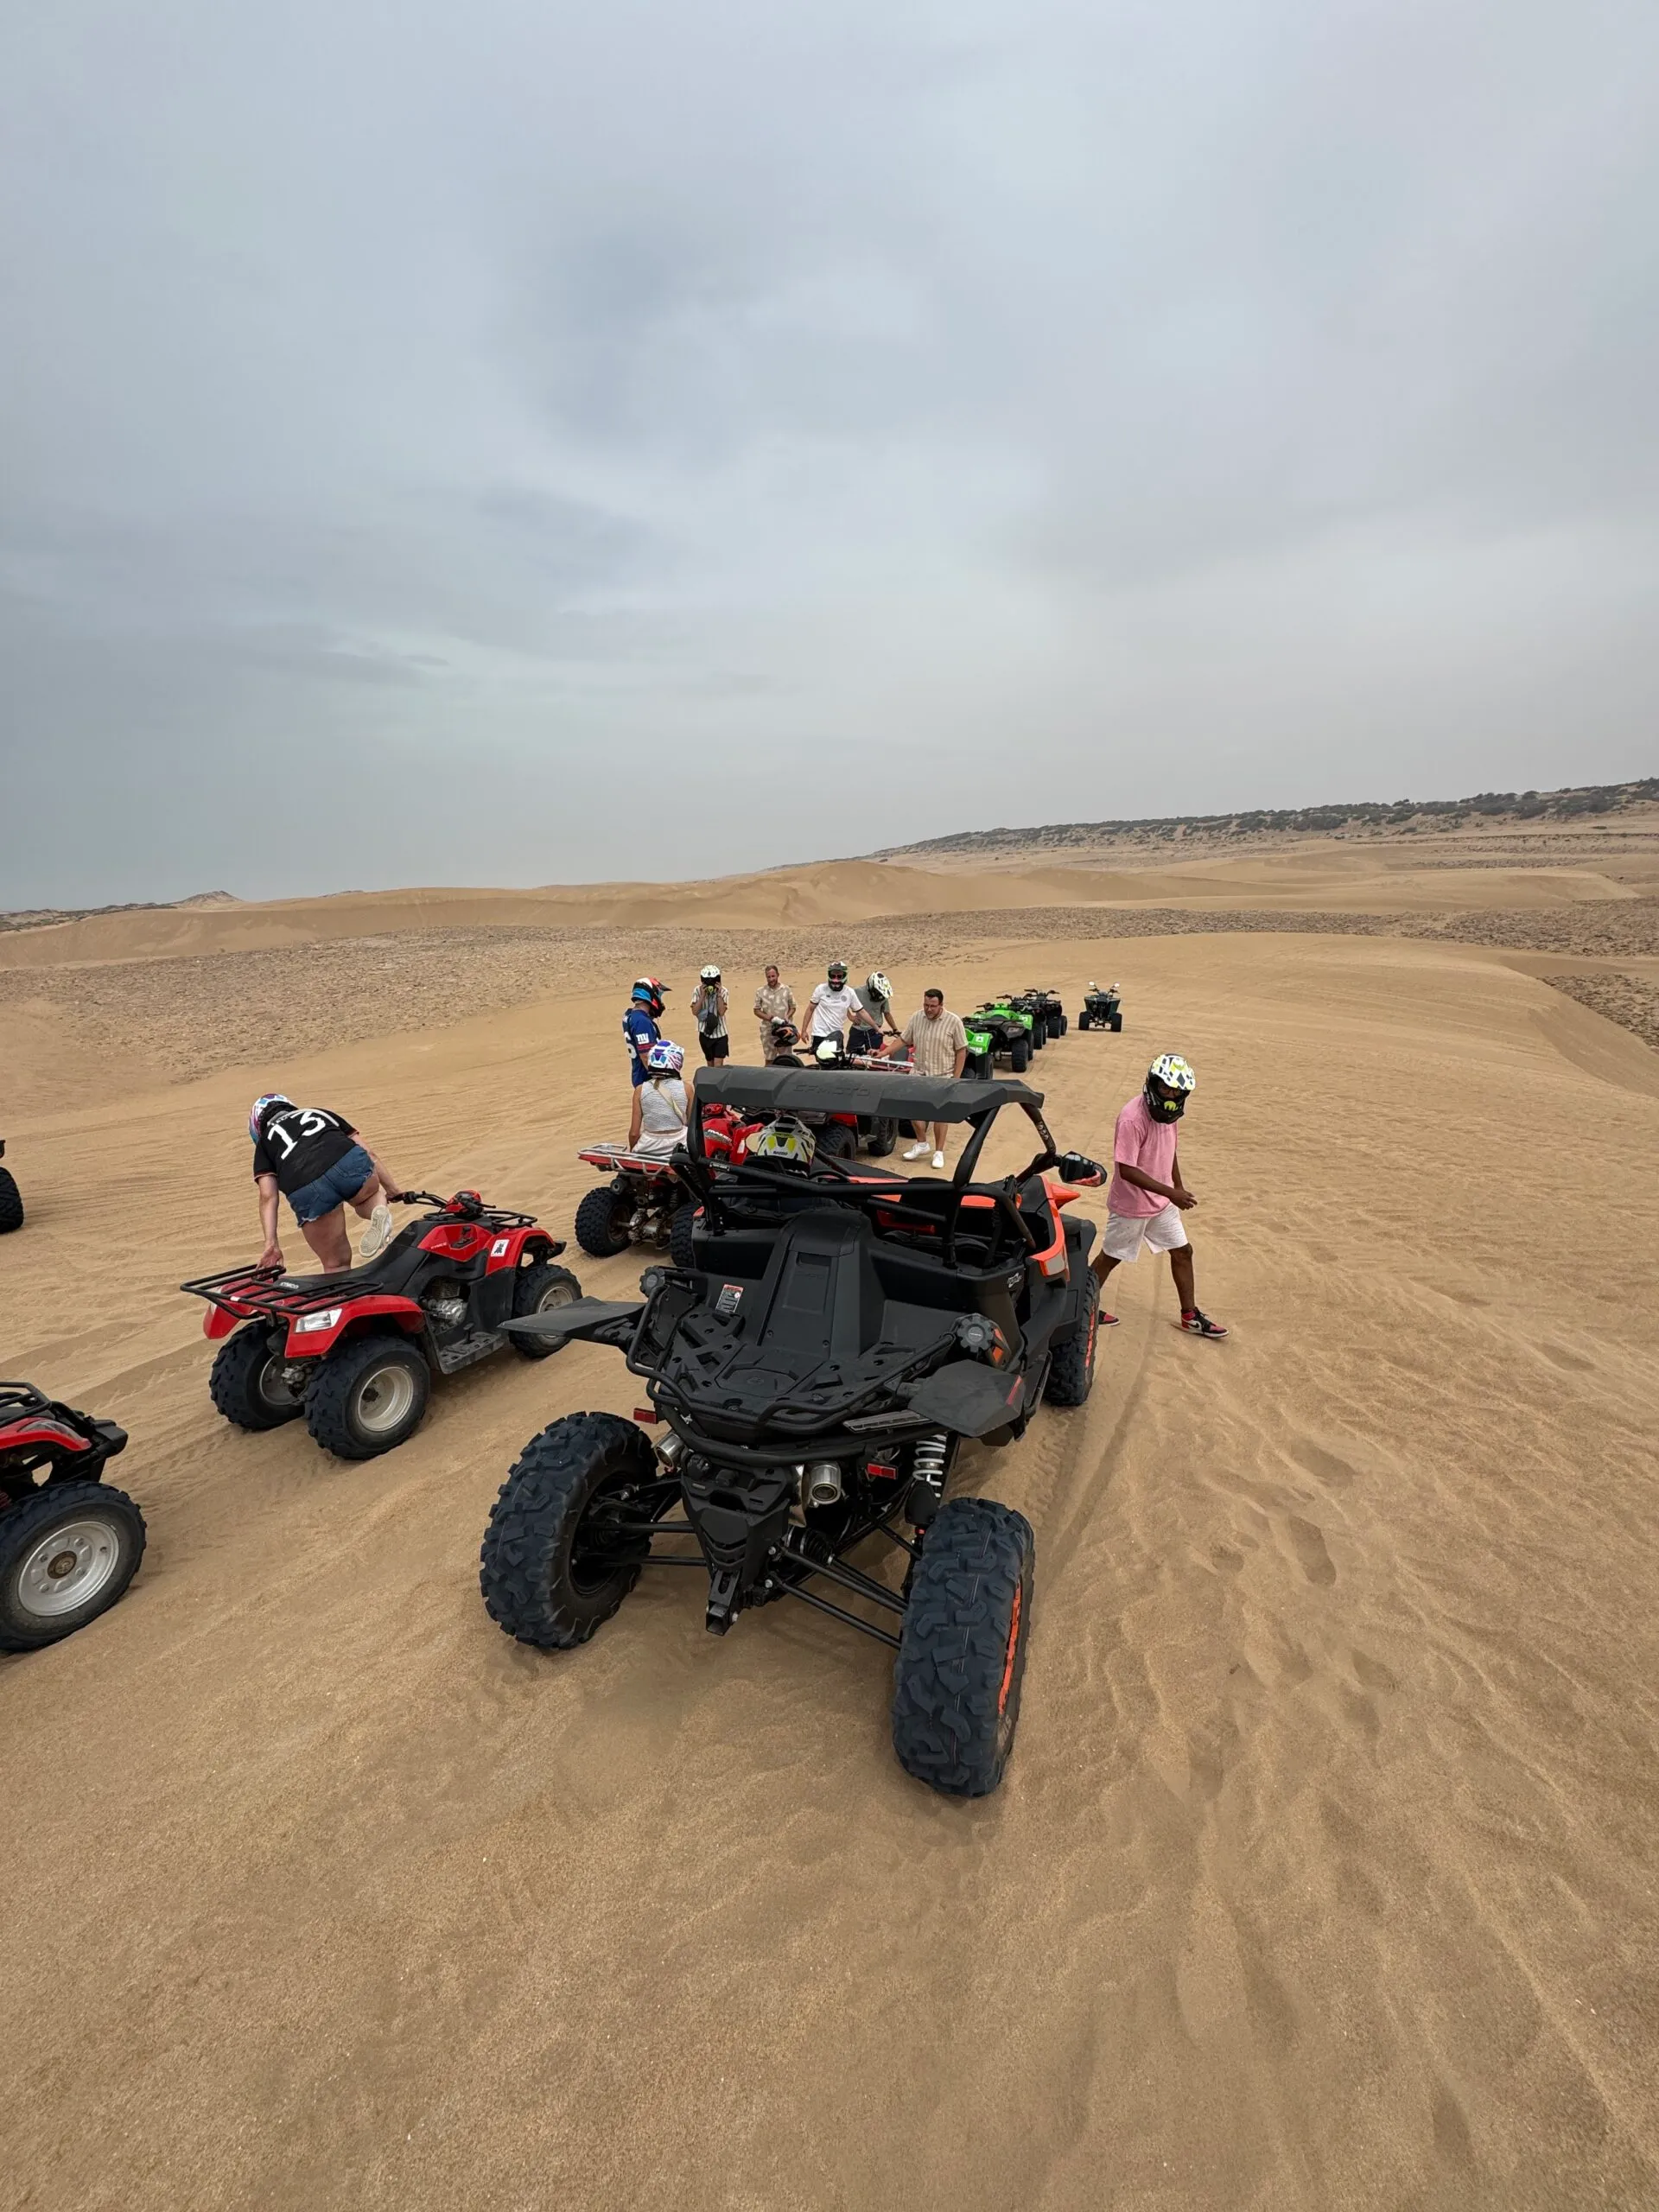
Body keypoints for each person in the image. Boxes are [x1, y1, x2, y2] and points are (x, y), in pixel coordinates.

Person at [1090, 1054, 1227, 1338]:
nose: (1171, 1097)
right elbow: (1127, 1170)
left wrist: (1178, 1185)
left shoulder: (1169, 1115)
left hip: (1162, 1203)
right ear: (1153, 1084)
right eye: (1165, 1088)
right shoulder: (1132, 1118)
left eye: (1177, 1092)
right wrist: (1171, 1193)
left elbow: (1170, 1148)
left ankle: (1190, 1316)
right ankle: (1081, 1308)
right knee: (1110, 1259)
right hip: (1131, 1205)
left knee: (1183, 1251)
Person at [249, 1093, 404, 1274]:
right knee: (367, 1198)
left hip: (307, 1185)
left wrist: (271, 1243)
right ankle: (378, 1209)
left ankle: (343, 1289)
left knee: (336, 1264)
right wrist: (393, 1190)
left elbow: (268, 1196)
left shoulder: (264, 1144)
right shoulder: (318, 1112)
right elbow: (370, 1153)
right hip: (348, 1161)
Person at [888, 988, 969, 1168]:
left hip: (943, 1075)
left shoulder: (954, 1021)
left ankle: (939, 1153)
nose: (928, 1009)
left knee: (940, 1115)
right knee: (911, 1109)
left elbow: (961, 1051)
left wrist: (956, 1079)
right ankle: (922, 1144)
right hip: (919, 1073)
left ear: (941, 1005)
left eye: (933, 1006)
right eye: (926, 1005)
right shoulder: (917, 1017)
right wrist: (884, 1052)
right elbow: (904, 1040)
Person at [628, 1040, 690, 1156]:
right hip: (679, 1146)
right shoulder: (687, 1089)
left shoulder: (640, 1090)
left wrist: (632, 1151)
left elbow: (634, 1134)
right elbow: (692, 1124)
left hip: (648, 1146)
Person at [803, 960, 865, 1048]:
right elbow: (810, 1009)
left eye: (839, 976)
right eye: (833, 976)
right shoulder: (820, 989)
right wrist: (804, 1030)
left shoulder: (849, 992)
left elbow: (860, 1011)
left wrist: (876, 1028)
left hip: (837, 1035)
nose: (836, 978)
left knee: (837, 1057)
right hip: (819, 1034)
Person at [624, 978, 668, 1090]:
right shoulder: (641, 1021)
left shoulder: (631, 1016)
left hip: (641, 1077)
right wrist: (660, 1083)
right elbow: (645, 1056)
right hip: (648, 1081)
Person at [849, 970, 901, 1057]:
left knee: (876, 1056)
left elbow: (887, 1013)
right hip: (858, 1028)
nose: (879, 995)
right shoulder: (857, 992)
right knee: (850, 1055)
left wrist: (895, 1030)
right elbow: (843, 1003)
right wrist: (850, 1017)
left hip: (875, 1031)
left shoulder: (883, 995)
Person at [753, 965, 797, 1060]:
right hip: (768, 1030)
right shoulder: (760, 991)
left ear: (778, 975)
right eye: (768, 977)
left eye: (773, 976)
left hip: (785, 1030)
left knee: (786, 1059)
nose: (771, 979)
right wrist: (769, 1018)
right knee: (769, 1059)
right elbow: (756, 1010)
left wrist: (787, 1016)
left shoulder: (786, 989)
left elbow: (793, 1007)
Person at [690, 965, 731, 1065]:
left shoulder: (724, 991)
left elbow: (721, 1012)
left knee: (718, 1067)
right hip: (705, 1033)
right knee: (710, 1065)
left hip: (720, 1034)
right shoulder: (697, 991)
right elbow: (695, 1012)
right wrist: (702, 996)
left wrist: (719, 995)